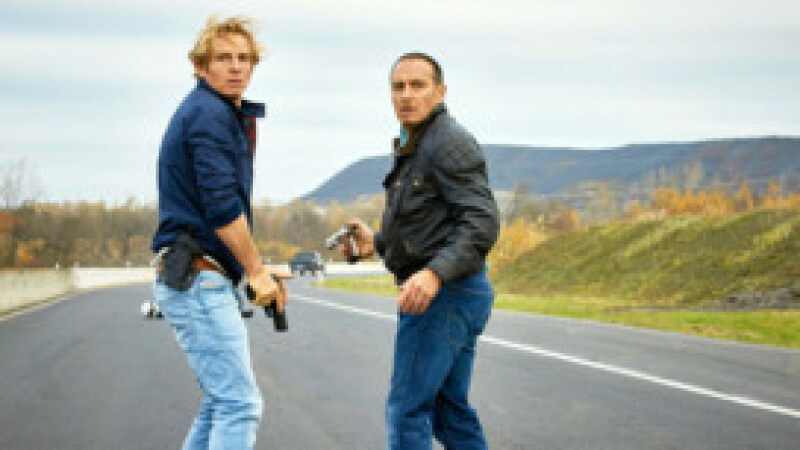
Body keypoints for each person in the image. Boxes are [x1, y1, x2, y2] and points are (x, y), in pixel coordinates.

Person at [340, 52, 499, 450]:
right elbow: (428, 227)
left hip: (443, 295)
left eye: (418, 85)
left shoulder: (448, 143)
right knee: (448, 412)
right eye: (398, 87)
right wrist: (376, 243)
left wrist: (433, 274)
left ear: (440, 92)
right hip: (454, 291)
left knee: (408, 410)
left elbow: (481, 223)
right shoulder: (419, 143)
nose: (407, 95)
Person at [151, 16, 289, 450]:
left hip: (200, 275)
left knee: (221, 402)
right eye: (223, 58)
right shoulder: (209, 115)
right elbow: (223, 208)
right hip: (198, 279)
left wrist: (255, 269)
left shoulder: (218, 113)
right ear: (200, 66)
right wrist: (256, 272)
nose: (236, 67)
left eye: (244, 58)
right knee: (239, 405)